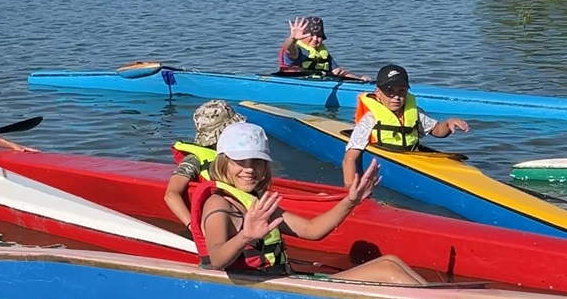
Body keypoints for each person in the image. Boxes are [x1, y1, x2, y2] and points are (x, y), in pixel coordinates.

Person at [195, 122, 426, 285]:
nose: (249, 169)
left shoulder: (255, 202)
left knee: (390, 261)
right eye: (239, 161)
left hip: (285, 281)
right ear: (223, 162)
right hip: (270, 289)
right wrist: (245, 236)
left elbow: (312, 230)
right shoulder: (218, 205)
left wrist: (350, 201)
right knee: (386, 270)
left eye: (257, 161)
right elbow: (216, 259)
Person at [342, 64, 470, 187]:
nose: (396, 97)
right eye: (390, 91)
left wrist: (448, 123)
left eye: (401, 91)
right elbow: (350, 159)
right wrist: (351, 190)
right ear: (378, 92)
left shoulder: (414, 113)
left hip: (412, 159)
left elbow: (437, 130)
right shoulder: (370, 119)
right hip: (387, 162)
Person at [164, 100, 245, 229]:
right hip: (218, 215)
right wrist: (193, 226)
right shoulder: (194, 160)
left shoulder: (234, 152)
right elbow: (171, 195)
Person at [278, 16, 369, 81]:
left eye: (319, 36)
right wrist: (292, 38)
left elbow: (337, 71)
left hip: (320, 83)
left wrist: (358, 80)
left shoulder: (322, 52)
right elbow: (288, 49)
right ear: (303, 36)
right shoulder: (297, 49)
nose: (315, 39)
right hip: (298, 83)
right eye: (311, 35)